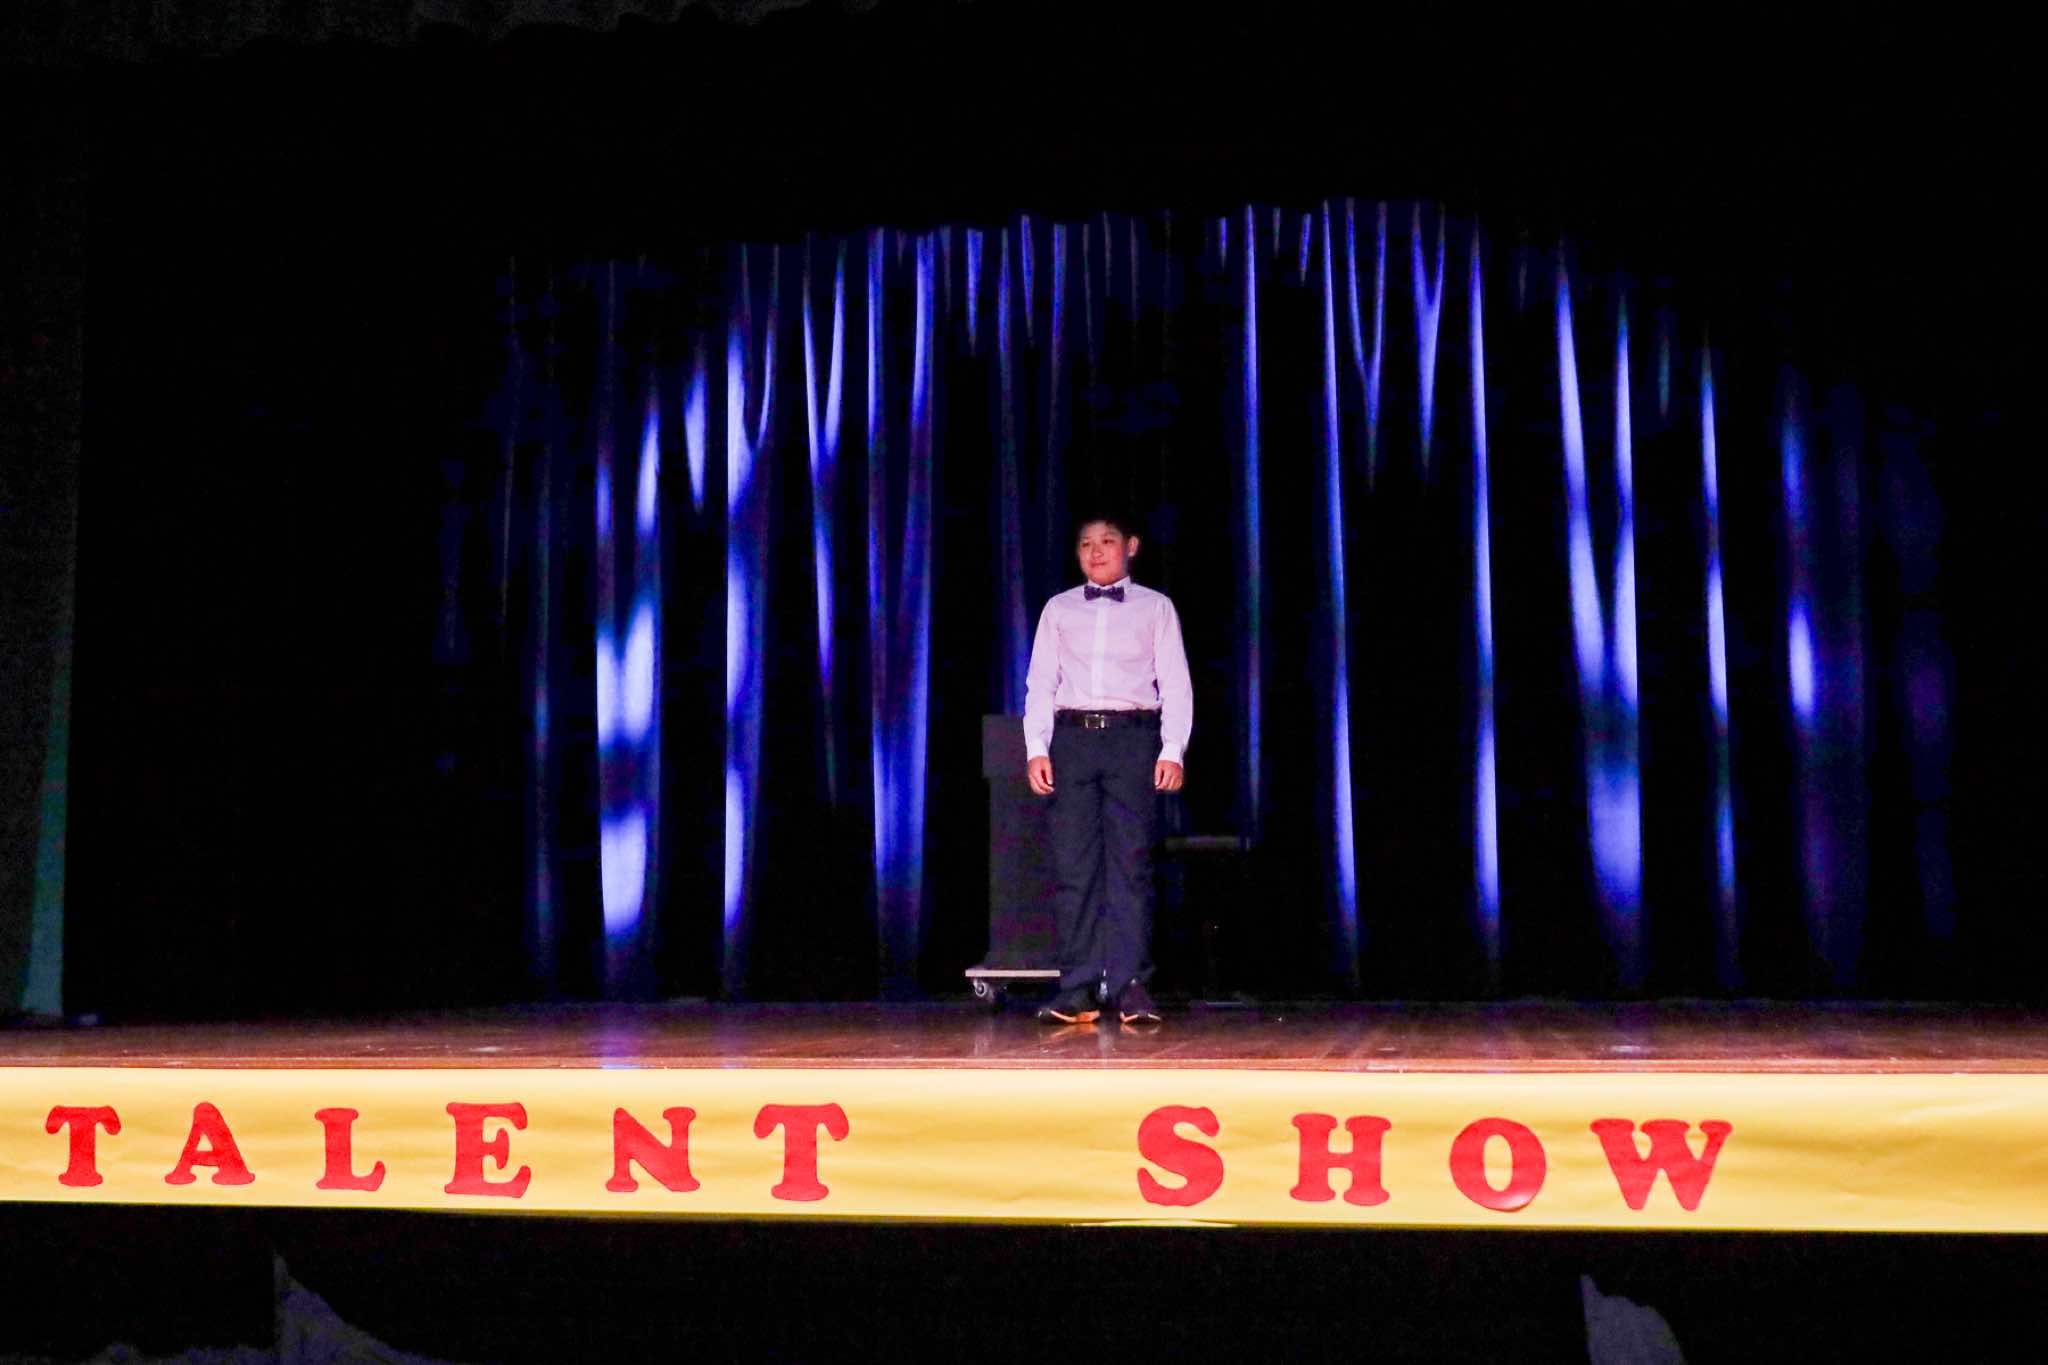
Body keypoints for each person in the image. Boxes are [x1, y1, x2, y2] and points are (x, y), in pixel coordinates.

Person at [1023, 512, 1192, 1025]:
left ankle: (1130, 984)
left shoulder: (1155, 608)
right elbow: (1041, 683)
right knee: (1073, 867)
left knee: (1130, 866)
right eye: (1085, 544)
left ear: (1131, 546)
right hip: (1072, 739)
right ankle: (1076, 988)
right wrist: (1036, 747)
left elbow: (1175, 682)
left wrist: (1172, 748)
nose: (1095, 552)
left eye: (1107, 541)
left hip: (1132, 740)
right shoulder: (1059, 609)